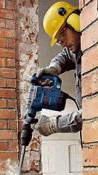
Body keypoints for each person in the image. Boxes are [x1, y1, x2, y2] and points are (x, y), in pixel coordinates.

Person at [34, 1, 83, 137]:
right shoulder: (77, 51)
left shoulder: (97, 54)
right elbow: (65, 56)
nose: (63, 45)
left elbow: (93, 113)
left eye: (62, 37)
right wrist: (54, 68)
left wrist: (54, 124)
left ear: (75, 22)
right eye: (59, 41)